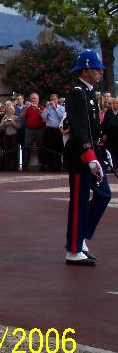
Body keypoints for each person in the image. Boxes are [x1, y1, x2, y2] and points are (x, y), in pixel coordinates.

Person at [63, 49, 112, 266]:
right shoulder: (77, 92)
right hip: (81, 156)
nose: (100, 73)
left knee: (103, 195)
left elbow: (92, 127)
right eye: (97, 69)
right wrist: (89, 155)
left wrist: (101, 152)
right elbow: (79, 127)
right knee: (79, 202)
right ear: (86, 71)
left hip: (93, 154)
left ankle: (81, 236)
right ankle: (73, 249)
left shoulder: (88, 92)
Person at [42, 93, 66, 172]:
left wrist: (55, 108)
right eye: (51, 100)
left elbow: (61, 116)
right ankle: (50, 166)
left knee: (57, 148)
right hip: (49, 129)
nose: (53, 101)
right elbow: (43, 116)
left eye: (54, 99)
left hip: (57, 130)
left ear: (57, 100)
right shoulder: (48, 108)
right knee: (49, 148)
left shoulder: (61, 108)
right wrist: (46, 107)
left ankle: (58, 166)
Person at [0, 105, 20, 171]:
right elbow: (1, 126)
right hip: (7, 135)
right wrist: (4, 122)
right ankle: (6, 166)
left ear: (12, 110)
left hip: (14, 135)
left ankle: (14, 166)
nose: (9, 111)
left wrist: (13, 122)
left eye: (10, 110)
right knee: (6, 151)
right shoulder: (4, 117)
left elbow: (18, 127)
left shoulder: (16, 117)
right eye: (8, 110)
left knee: (13, 151)